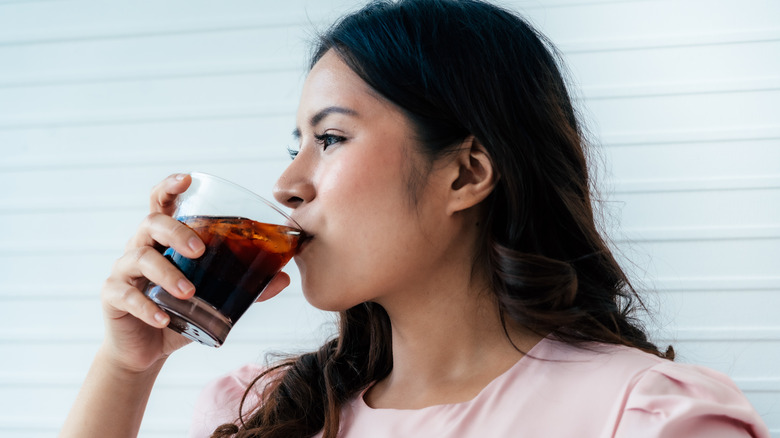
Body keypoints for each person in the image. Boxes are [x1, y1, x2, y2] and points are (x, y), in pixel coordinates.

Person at [60, 0, 770, 437]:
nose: (287, 183)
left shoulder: (645, 419)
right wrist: (126, 369)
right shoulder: (266, 415)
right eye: (294, 145)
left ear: (465, 172)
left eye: (331, 138)